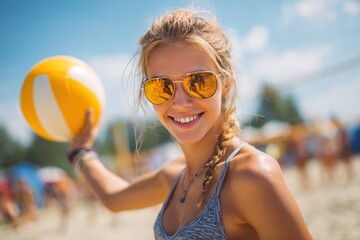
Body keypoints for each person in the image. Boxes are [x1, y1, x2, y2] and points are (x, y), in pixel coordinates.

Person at [68, 8, 313, 239]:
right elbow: (114, 198)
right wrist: (82, 152)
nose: (181, 102)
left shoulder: (252, 175)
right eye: (161, 87)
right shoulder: (175, 175)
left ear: (225, 83)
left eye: (198, 81)